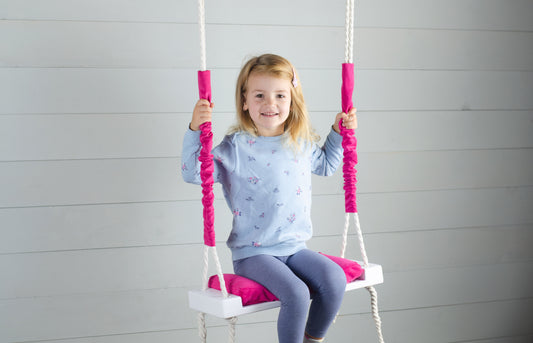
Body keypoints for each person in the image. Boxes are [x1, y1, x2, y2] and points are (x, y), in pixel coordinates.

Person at [182, 54, 357, 343]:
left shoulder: (299, 141)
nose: (270, 104)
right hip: (254, 252)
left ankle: (312, 339)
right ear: (245, 101)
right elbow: (193, 173)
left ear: (292, 99)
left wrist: (339, 133)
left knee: (334, 278)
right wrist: (194, 129)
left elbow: (326, 165)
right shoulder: (235, 147)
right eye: (260, 95)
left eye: (279, 95)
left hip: (295, 248)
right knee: (297, 294)